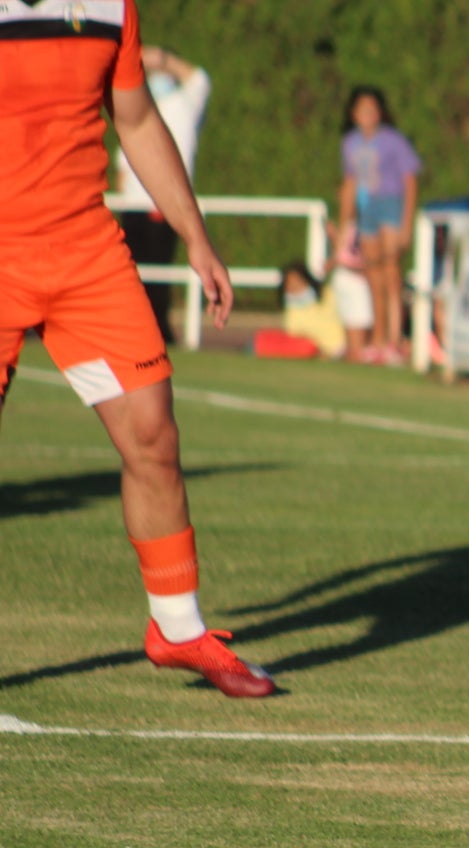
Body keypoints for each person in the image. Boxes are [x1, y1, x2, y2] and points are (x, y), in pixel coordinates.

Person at [1, 0, 273, 697]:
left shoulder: (109, 4)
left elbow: (138, 119)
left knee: (153, 437)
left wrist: (198, 238)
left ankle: (178, 628)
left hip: (86, 256)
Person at [114, 45, 210, 346]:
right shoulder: (136, 107)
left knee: (157, 271)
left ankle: (157, 332)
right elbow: (123, 168)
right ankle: (136, 331)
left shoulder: (182, 103)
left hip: (163, 203)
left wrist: (164, 60)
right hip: (133, 205)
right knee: (130, 272)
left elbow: (200, 81)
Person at [337, 86, 420, 365]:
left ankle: (395, 340)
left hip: (391, 205)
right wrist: (345, 225)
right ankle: (379, 339)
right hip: (367, 210)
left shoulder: (393, 141)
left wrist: (406, 224)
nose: (367, 115)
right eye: (362, 110)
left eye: (372, 110)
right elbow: (350, 184)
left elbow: (410, 180)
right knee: (373, 276)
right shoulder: (349, 143)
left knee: (391, 274)